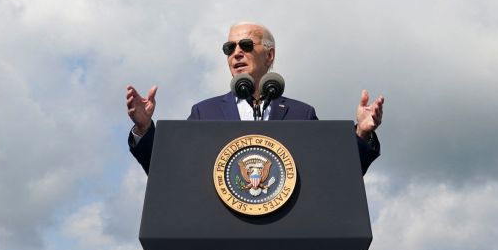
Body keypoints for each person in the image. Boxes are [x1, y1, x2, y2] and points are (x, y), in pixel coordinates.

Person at [124, 21, 385, 174]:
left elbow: (334, 174)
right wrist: (144, 128)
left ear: (269, 55)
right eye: (230, 48)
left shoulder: (300, 114)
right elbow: (169, 172)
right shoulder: (205, 112)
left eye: (246, 46)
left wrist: (361, 134)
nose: (236, 53)